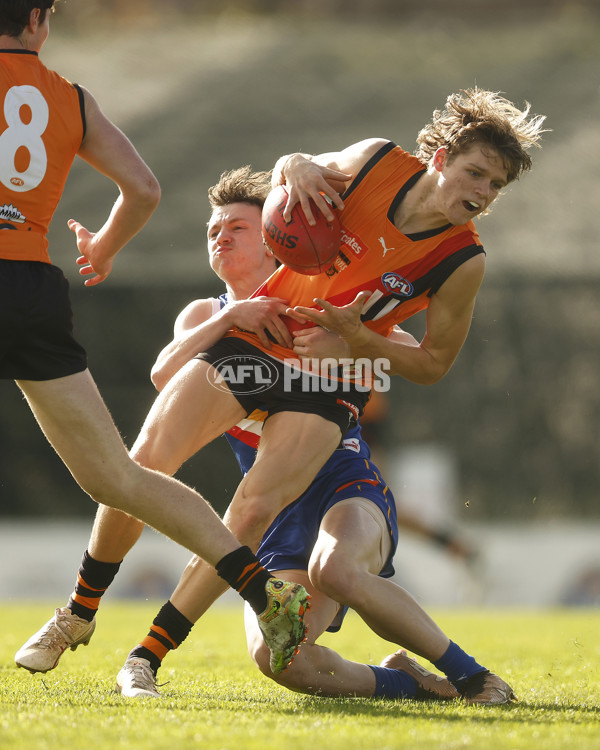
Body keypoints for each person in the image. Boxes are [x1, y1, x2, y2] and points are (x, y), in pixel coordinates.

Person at [18, 167, 514, 705]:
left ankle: (145, 656)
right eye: (213, 230)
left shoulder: (329, 303)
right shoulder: (205, 313)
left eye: (237, 226)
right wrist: (233, 320)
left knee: (295, 544)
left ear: (279, 233)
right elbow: (164, 375)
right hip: (275, 510)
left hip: (338, 486)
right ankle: (407, 681)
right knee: (282, 661)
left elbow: (399, 357)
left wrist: (352, 343)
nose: (220, 235)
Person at [1, 0, 310, 676]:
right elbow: (141, 187)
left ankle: (101, 620)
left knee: (134, 467)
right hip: (30, 289)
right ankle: (263, 593)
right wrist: (105, 246)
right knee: (120, 474)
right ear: (35, 22)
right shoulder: (68, 99)